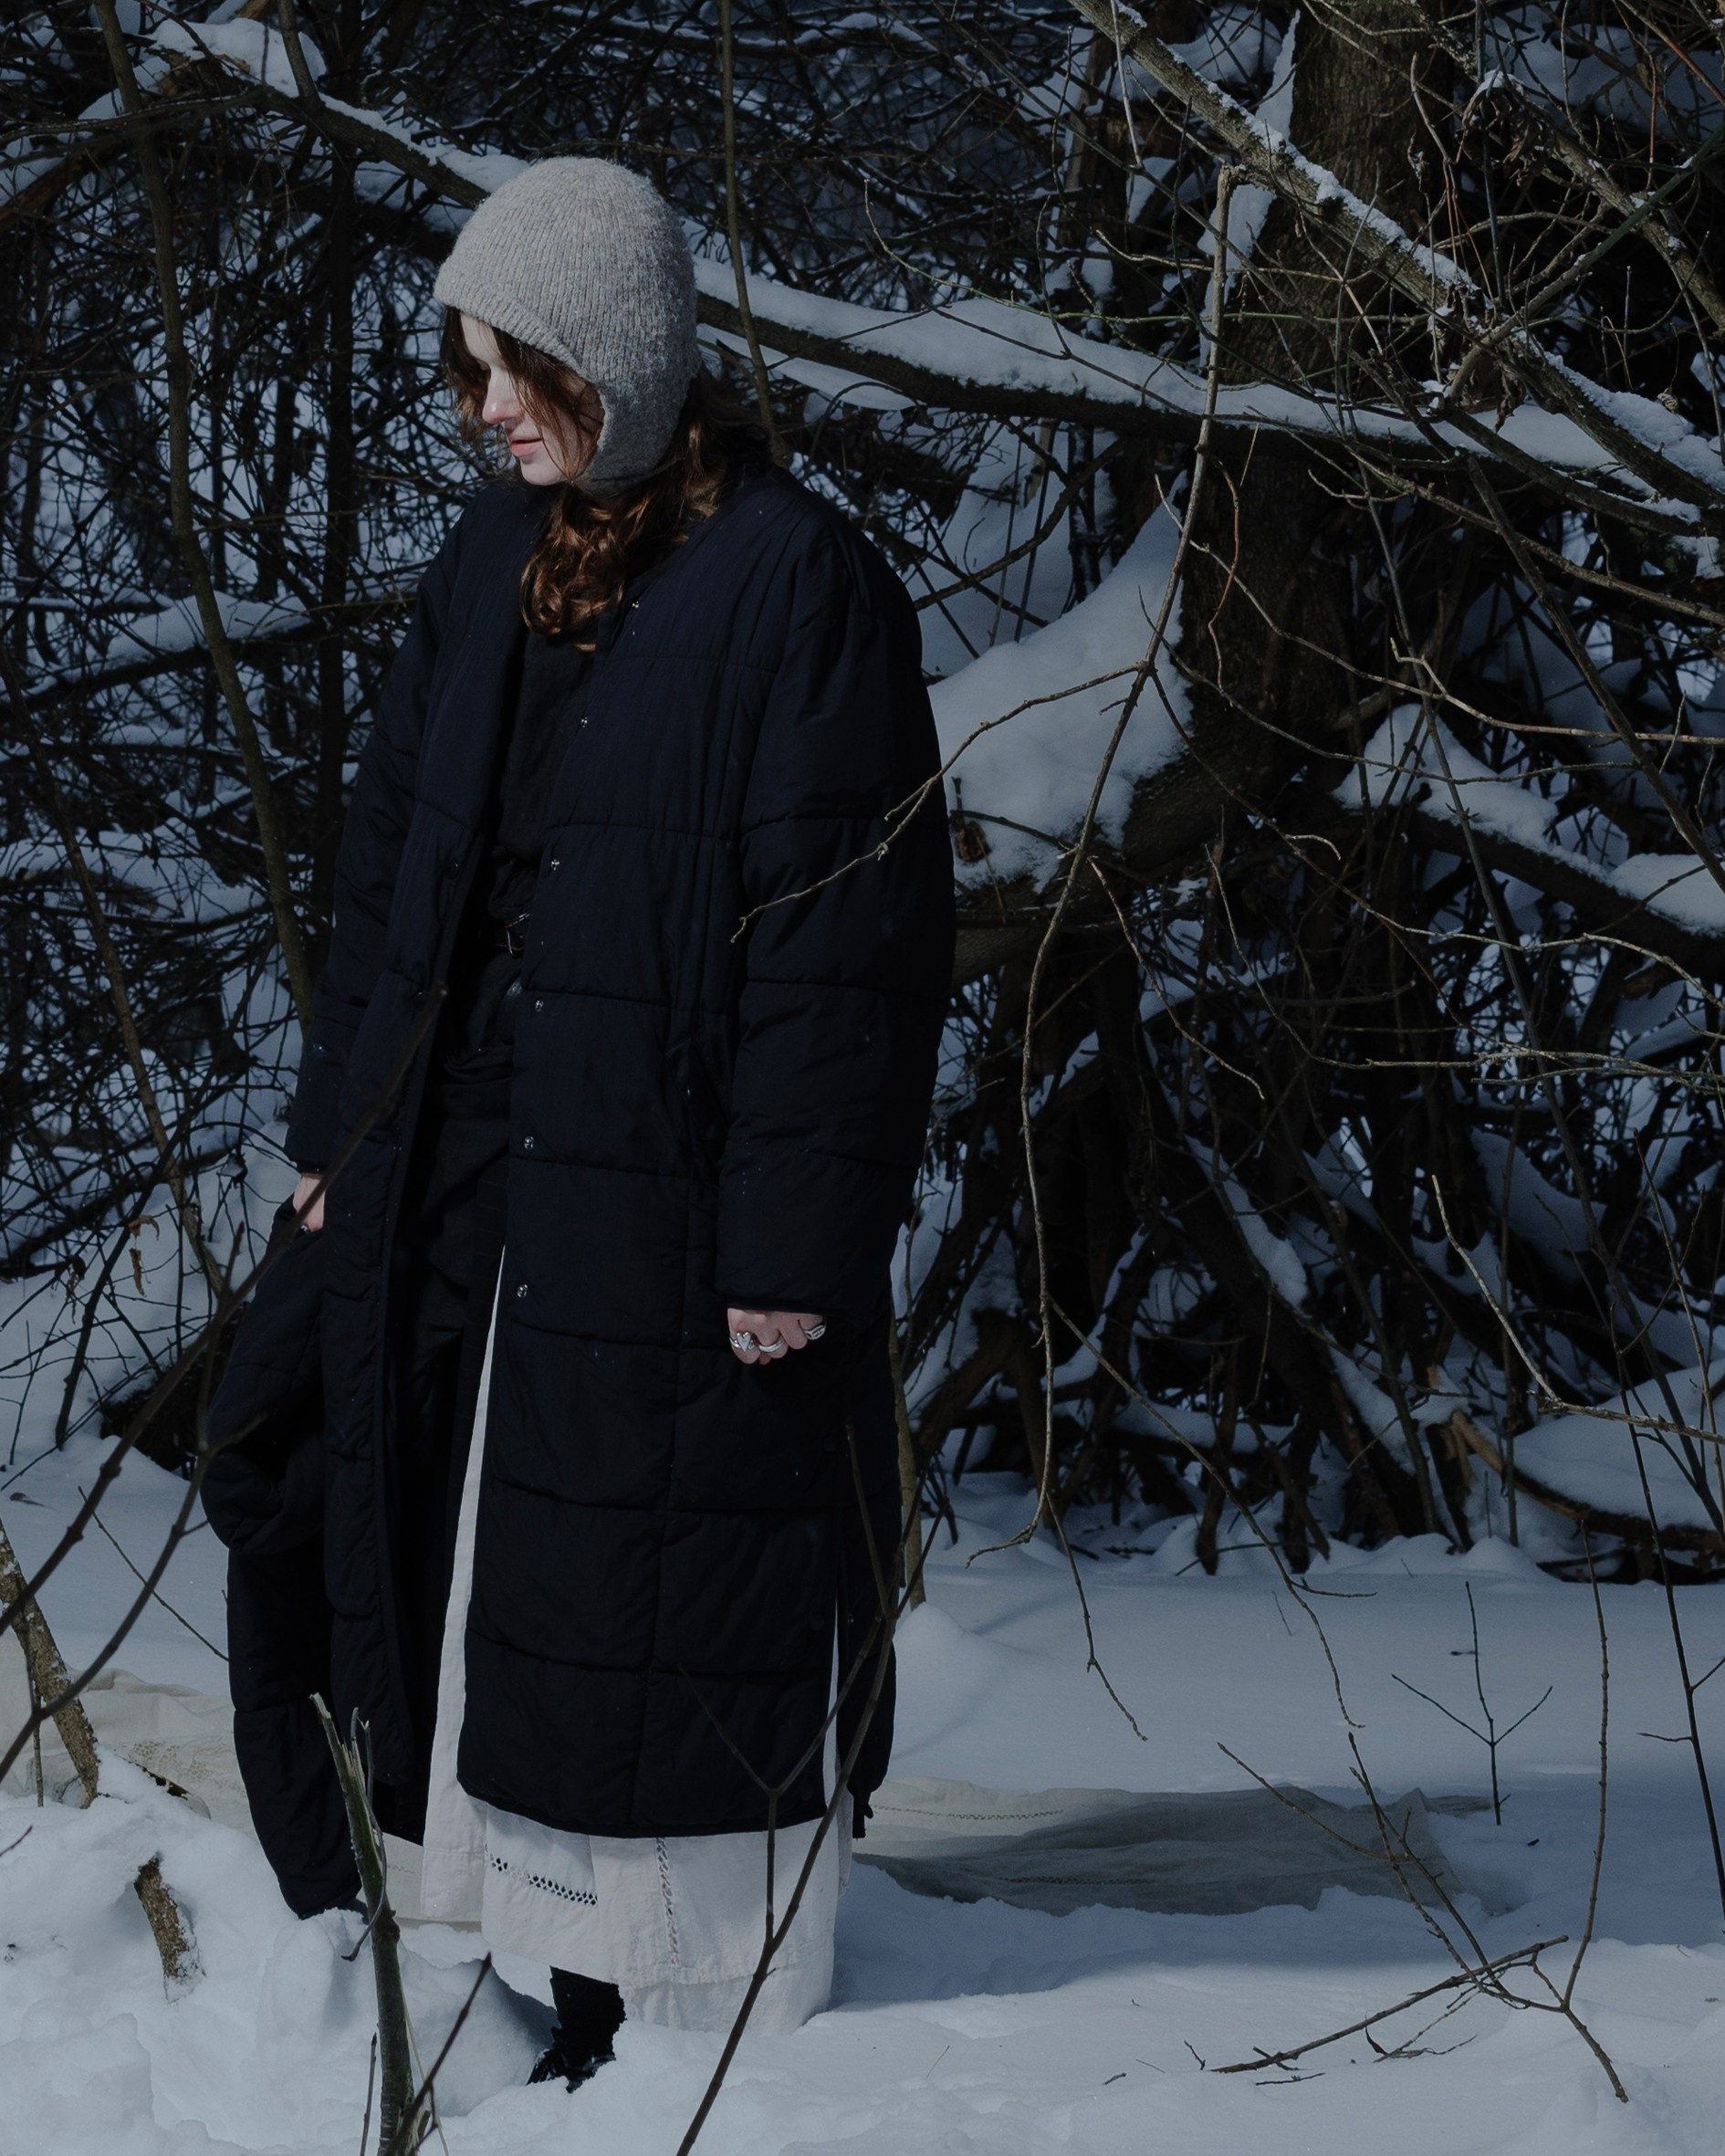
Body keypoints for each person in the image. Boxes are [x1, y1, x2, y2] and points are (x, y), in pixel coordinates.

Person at [219, 156, 954, 2084]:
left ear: (617, 353)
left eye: (514, 365)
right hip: (467, 1178)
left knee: (650, 1581)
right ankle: (496, 1957)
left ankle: (668, 2012)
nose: (484, 407)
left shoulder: (798, 586)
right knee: (468, 1565)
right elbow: (391, 867)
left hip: (672, 1202)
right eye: (466, 368)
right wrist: (338, 1129)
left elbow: (848, 951)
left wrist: (793, 1239)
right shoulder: (490, 560)